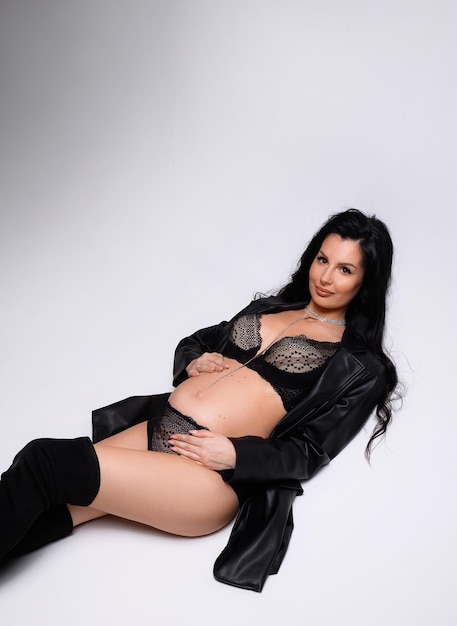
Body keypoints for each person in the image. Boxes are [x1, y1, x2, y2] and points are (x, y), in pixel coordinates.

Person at [0, 209, 399, 591]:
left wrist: (235, 456)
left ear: (366, 282)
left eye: (344, 270)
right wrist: (194, 361)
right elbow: (195, 342)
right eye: (322, 259)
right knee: (48, 504)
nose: (326, 277)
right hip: (161, 428)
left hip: (207, 474)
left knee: (45, 462)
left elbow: (309, 449)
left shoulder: (361, 367)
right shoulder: (269, 308)